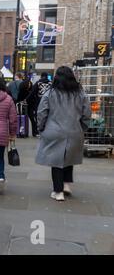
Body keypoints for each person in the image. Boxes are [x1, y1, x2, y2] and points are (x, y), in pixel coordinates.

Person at [35, 66, 91, 202]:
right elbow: (87, 113)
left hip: (54, 131)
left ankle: (58, 191)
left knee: (57, 161)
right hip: (74, 131)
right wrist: (82, 127)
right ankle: (66, 184)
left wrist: (40, 127)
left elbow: (42, 112)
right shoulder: (80, 93)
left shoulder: (50, 93)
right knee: (69, 157)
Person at [27, 72, 52, 137]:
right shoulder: (51, 83)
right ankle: (47, 130)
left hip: (39, 103)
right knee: (48, 116)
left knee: (38, 116)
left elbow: (32, 93)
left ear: (41, 76)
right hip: (49, 103)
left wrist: (27, 100)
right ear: (47, 76)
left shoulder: (38, 83)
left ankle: (38, 131)